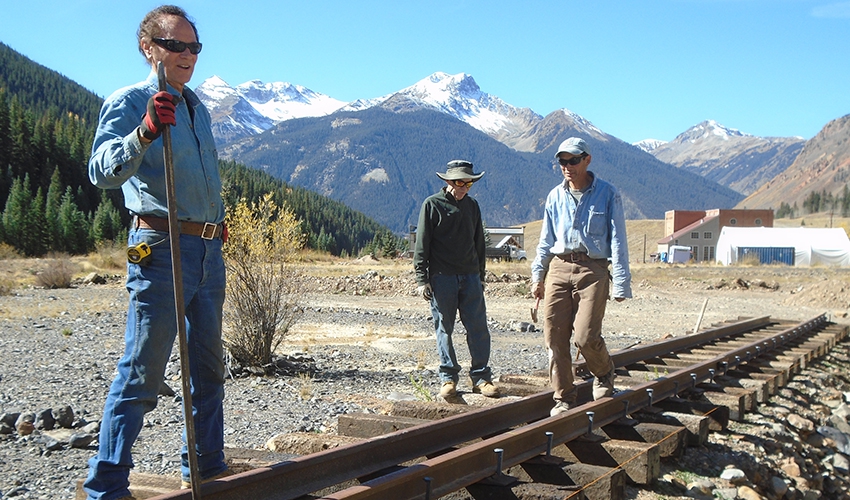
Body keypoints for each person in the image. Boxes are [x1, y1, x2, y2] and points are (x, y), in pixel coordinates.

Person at [83, 6, 231, 499]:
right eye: (176, 45)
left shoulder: (198, 107)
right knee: (144, 368)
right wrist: (145, 130)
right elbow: (101, 170)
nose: (188, 55)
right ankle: (107, 486)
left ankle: (206, 466)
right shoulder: (130, 101)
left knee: (209, 367)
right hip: (161, 246)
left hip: (209, 250)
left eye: (194, 47)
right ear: (150, 49)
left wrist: (215, 223)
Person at [530, 137, 632, 416]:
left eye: (573, 160)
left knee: (585, 337)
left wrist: (622, 282)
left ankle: (604, 371)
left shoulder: (608, 194)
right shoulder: (554, 196)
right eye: (563, 161)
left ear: (587, 159)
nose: (567, 166)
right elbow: (545, 240)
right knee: (554, 336)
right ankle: (563, 397)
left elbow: (619, 241)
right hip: (559, 269)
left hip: (593, 270)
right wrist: (538, 276)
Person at [414, 160, 500, 399]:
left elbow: (479, 244)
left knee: (478, 328)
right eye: (459, 182)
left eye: (468, 183)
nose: (463, 187)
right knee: (445, 328)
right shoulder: (431, 205)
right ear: (448, 182)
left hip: (471, 276)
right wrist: (422, 278)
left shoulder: (473, 206)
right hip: (442, 278)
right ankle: (448, 378)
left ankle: (481, 378)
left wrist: (481, 276)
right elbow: (422, 244)